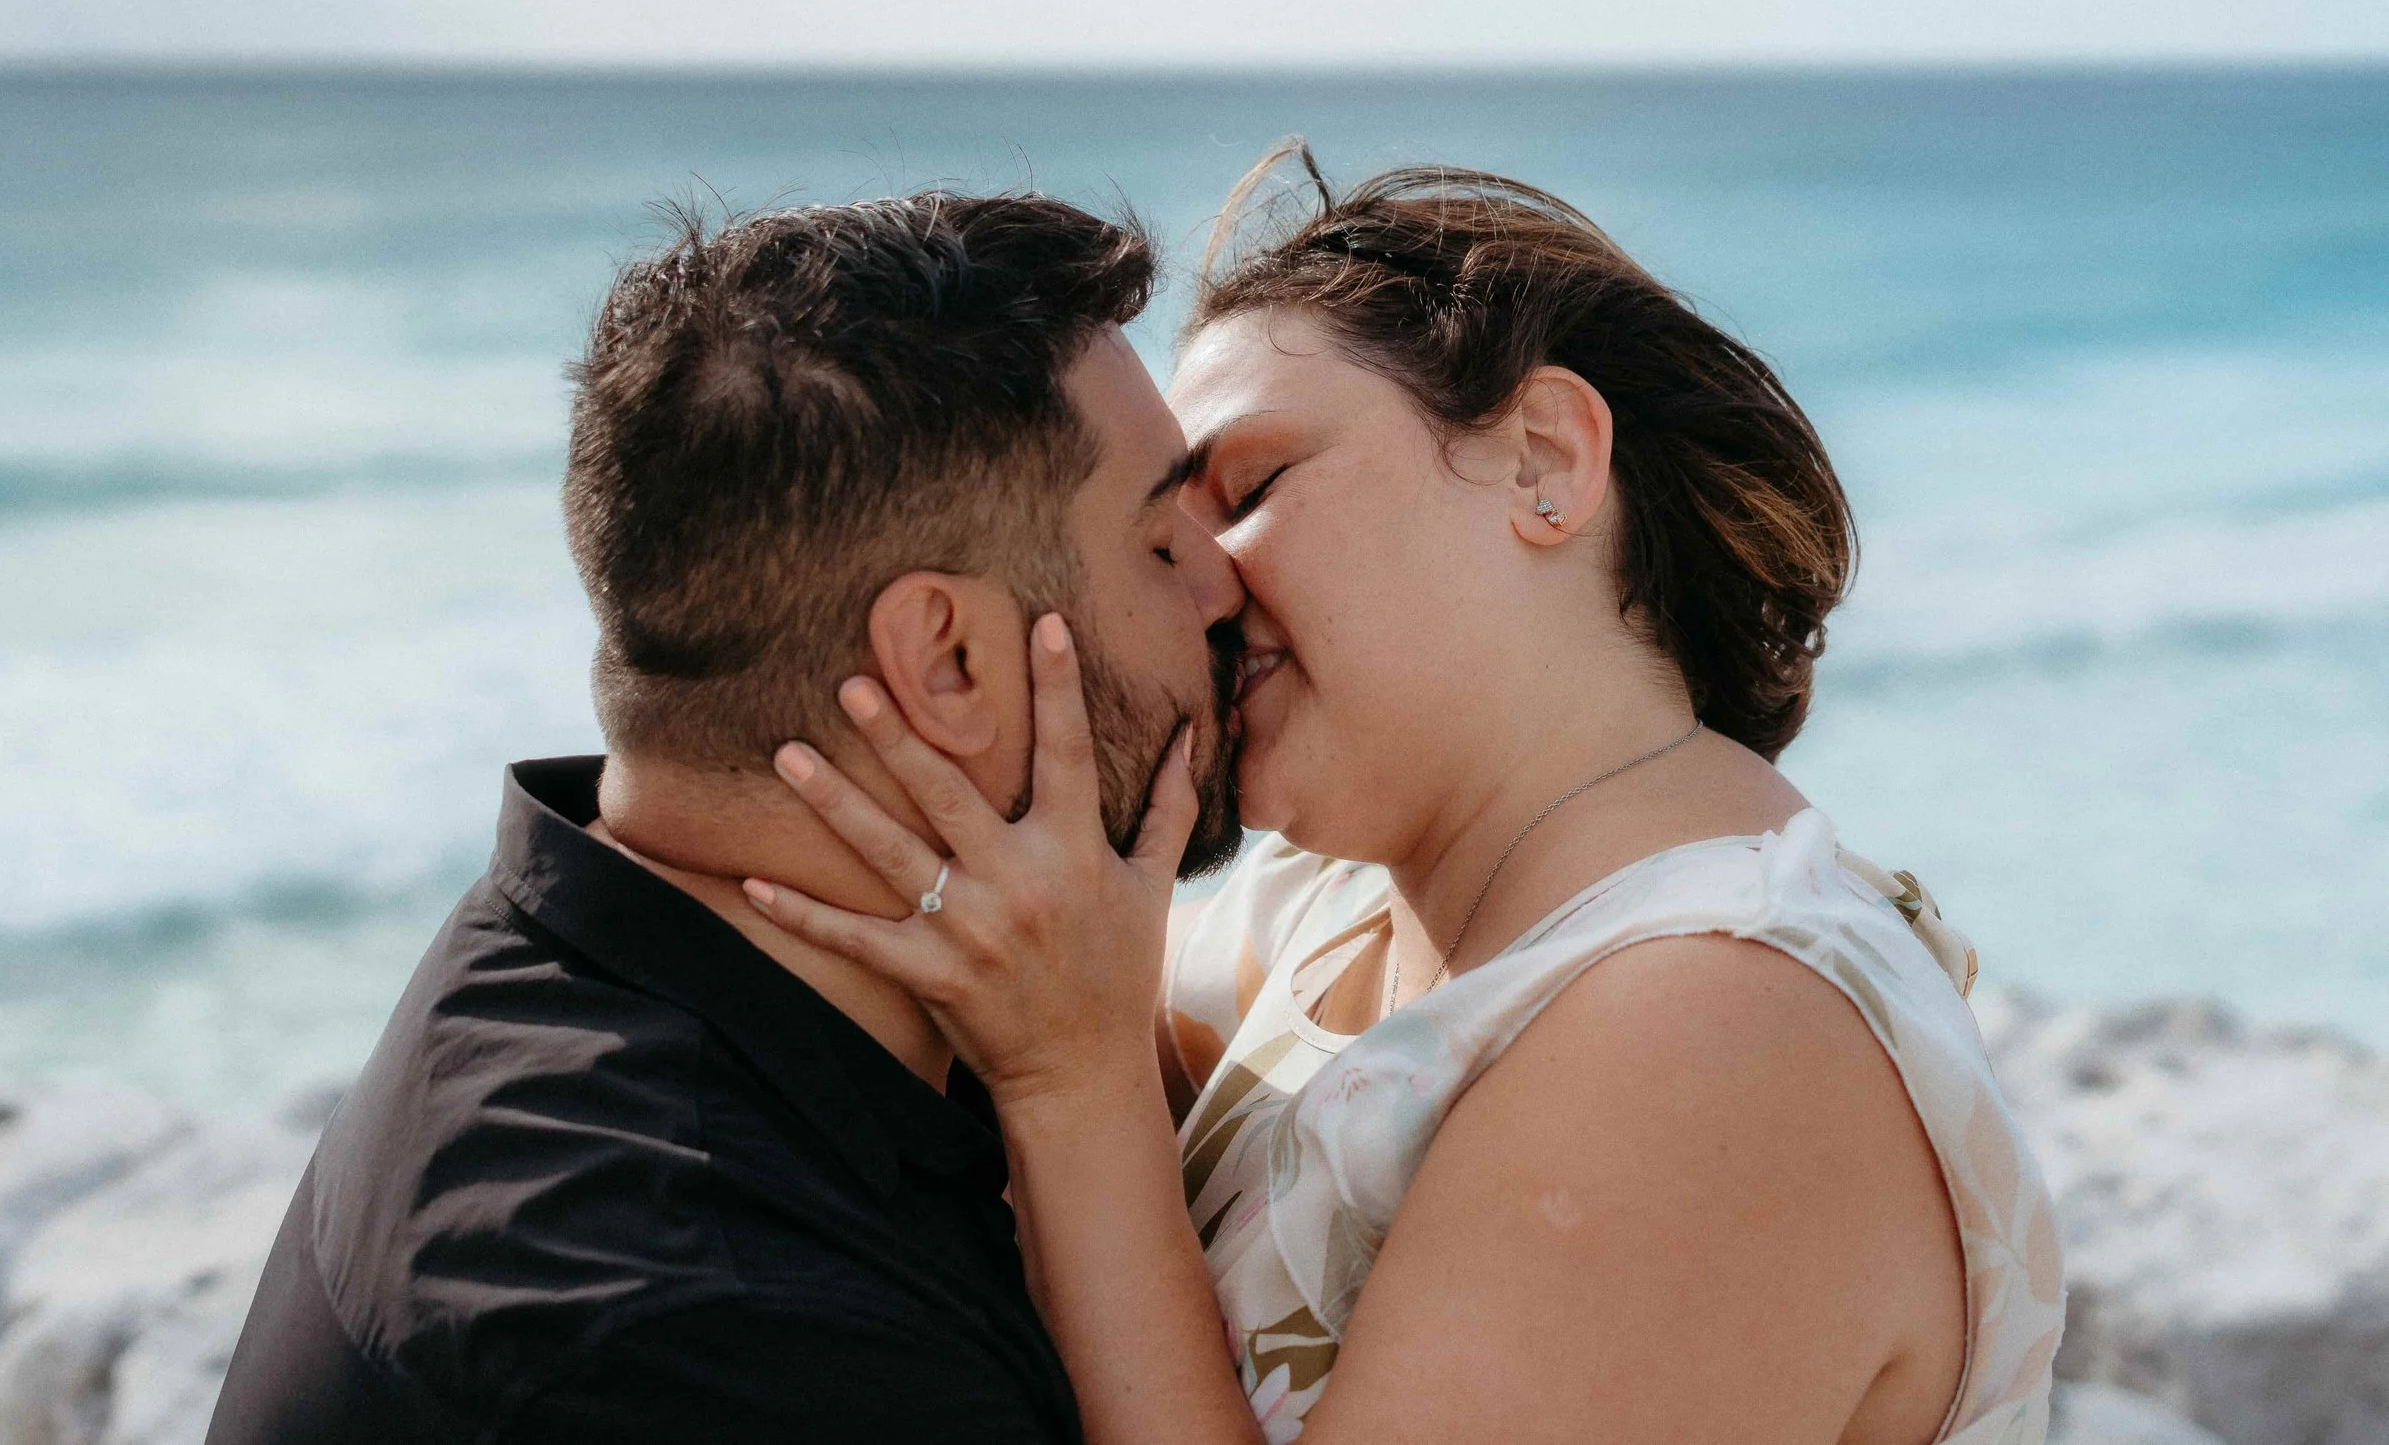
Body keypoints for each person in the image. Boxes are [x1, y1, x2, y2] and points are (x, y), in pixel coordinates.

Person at [739, 152, 2068, 1445]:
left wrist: (1070, 1081)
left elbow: (1069, 1072)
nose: (1195, 585)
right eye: (1160, 533)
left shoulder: (1720, 1026)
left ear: (1545, 459)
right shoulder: (1327, 911)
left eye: (1248, 489)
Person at [206, 190, 1249, 1444]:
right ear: (949, 661)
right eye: (1156, 536)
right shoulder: (716, 1330)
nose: (1223, 574)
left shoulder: (604, 948)